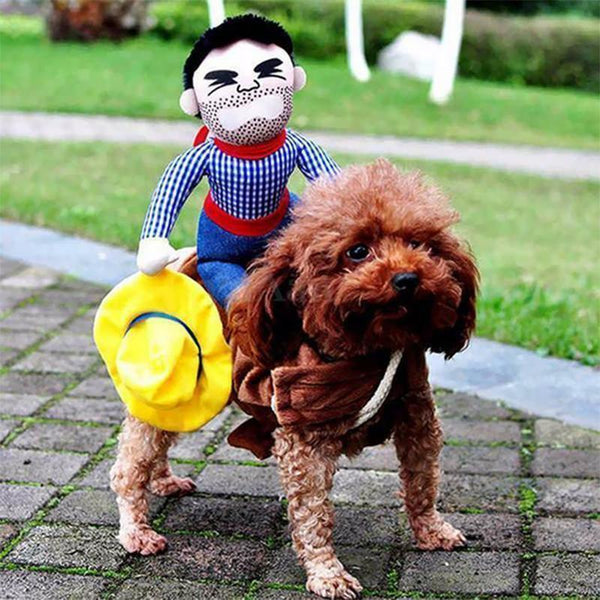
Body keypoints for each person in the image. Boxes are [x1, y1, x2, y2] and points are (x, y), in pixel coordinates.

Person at [137, 14, 340, 307]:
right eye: (224, 81)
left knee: (310, 289)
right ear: (194, 102)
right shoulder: (205, 155)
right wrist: (153, 240)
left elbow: (336, 187)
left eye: (266, 72)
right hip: (223, 246)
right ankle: (248, 307)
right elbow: (171, 190)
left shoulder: (294, 145)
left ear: (294, 79)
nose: (248, 88)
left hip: (284, 231)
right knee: (243, 303)